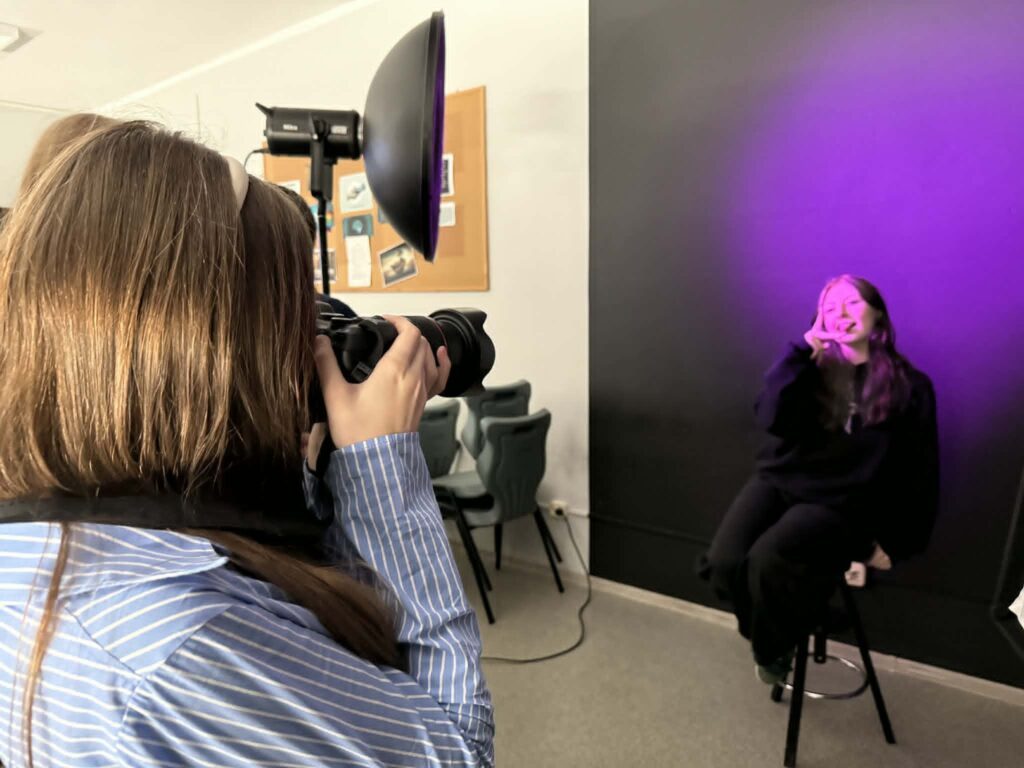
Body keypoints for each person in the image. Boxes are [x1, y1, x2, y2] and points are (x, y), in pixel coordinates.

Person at [0, 120, 494, 767]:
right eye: (289, 313)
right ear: (213, 352)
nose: (307, 341)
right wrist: (380, 470)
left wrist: (312, 468)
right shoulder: (183, 652)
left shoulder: (75, 532)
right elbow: (457, 752)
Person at [701, 275, 939, 684]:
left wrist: (900, 541)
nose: (840, 314)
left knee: (767, 561)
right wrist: (800, 351)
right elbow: (769, 417)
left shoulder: (910, 386)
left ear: (877, 314)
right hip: (780, 480)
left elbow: (920, 471)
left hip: (841, 503)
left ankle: (773, 647)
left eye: (852, 303)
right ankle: (797, 617)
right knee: (724, 563)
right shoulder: (808, 369)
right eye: (830, 308)